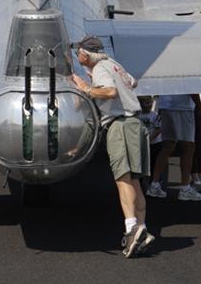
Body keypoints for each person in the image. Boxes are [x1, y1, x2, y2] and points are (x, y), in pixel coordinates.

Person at [71, 36, 154, 258]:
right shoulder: (115, 65)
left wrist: (89, 89)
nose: (77, 58)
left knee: (123, 178)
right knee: (135, 180)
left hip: (120, 125)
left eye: (78, 53)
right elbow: (132, 82)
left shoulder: (99, 68)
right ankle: (142, 229)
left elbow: (110, 92)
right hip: (136, 123)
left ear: (86, 54)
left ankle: (131, 229)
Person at [146, 94, 201, 201]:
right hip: (182, 107)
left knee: (168, 145)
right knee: (188, 146)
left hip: (166, 105)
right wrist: (200, 107)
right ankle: (185, 188)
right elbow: (189, 86)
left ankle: (154, 185)